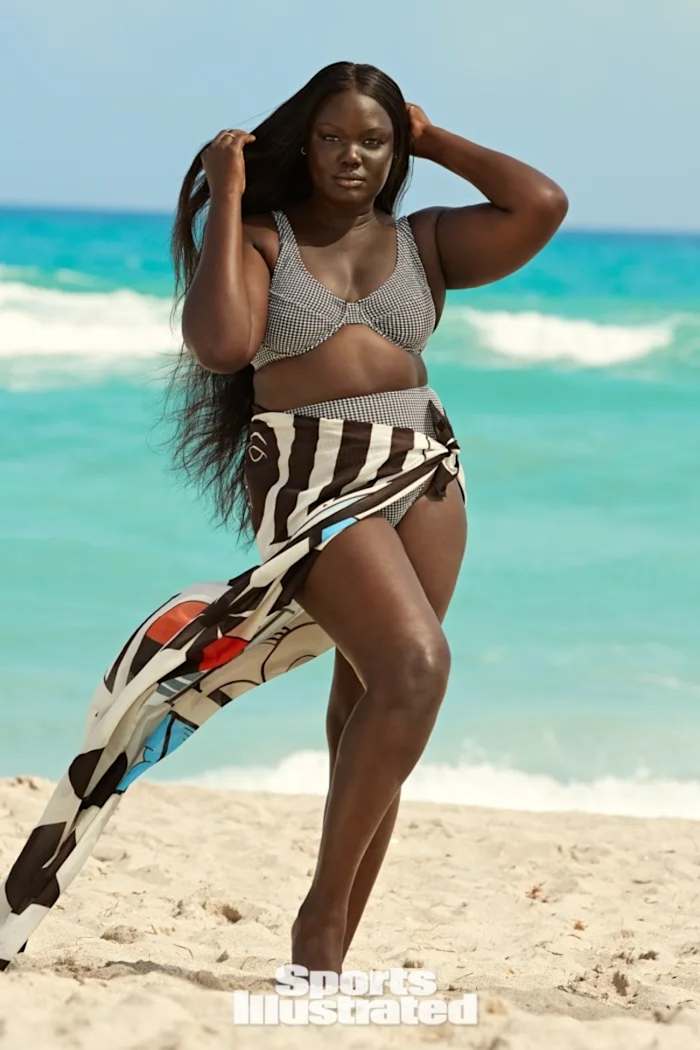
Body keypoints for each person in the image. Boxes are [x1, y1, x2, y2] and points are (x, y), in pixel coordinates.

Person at [0, 61, 568, 976]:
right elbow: (222, 344)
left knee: (376, 696)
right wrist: (224, 197)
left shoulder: (423, 241)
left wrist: (437, 136)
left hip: (421, 466)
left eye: (374, 141)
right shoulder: (265, 238)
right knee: (418, 670)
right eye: (335, 137)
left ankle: (329, 950)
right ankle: (319, 923)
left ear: (396, 150)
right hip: (309, 474)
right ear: (304, 145)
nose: (353, 156)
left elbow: (539, 205)